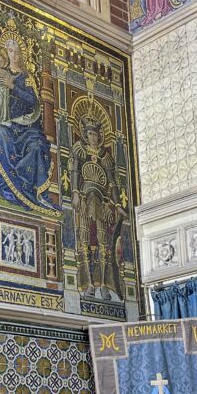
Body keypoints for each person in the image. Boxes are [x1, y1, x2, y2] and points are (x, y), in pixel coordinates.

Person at [0, 36, 53, 209]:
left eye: (16, 51)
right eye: (9, 51)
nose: (13, 55)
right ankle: (5, 186)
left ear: (21, 55)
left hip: (24, 126)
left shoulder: (26, 77)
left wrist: (13, 87)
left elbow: (33, 102)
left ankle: (33, 193)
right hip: (3, 122)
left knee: (36, 147)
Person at [71, 118, 125, 301]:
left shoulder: (105, 156)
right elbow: (75, 172)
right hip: (86, 198)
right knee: (85, 241)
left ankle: (102, 285)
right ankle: (88, 285)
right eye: (90, 134)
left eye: (95, 134)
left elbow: (113, 182)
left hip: (101, 201)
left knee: (104, 245)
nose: (93, 137)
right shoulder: (80, 150)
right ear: (86, 135)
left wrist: (117, 205)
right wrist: (75, 193)